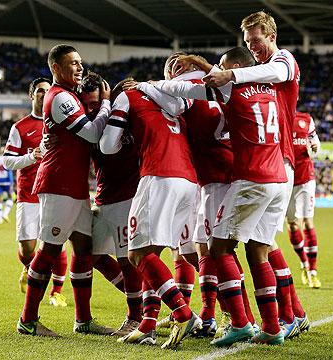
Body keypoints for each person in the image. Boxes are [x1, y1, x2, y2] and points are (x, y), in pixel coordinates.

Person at [175, 11, 309, 337]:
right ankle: (289, 316)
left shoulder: (282, 62)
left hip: (269, 166)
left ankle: (251, 320)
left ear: (272, 36)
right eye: (248, 42)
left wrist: (228, 75)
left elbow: (274, 70)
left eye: (257, 40)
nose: (254, 46)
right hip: (274, 165)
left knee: (227, 247)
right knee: (261, 247)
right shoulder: (258, 80)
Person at [146, 46, 287, 346]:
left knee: (217, 249)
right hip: (277, 178)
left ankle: (237, 320)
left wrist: (148, 86)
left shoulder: (223, 90)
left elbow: (181, 88)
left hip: (243, 177)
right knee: (255, 252)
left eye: (222, 67)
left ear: (233, 68)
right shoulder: (268, 85)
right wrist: (199, 62)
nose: (216, 72)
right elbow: (224, 75)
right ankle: (272, 326)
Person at [133, 52, 256, 339]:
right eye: (170, 65)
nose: (175, 69)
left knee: (215, 251)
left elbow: (169, 98)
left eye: (179, 63)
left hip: (216, 178)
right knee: (203, 250)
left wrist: (141, 86)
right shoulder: (212, 87)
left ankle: (240, 319)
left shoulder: (189, 88)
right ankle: (218, 317)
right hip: (212, 178)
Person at [16, 44, 113, 337]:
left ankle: (83, 320)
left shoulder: (71, 96)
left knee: (84, 249)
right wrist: (106, 103)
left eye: (80, 62)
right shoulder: (60, 98)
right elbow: (93, 132)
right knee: (48, 251)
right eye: (72, 63)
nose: (79, 67)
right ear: (56, 68)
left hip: (75, 187)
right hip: (58, 185)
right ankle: (27, 320)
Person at [100, 77, 202, 349]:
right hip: (189, 181)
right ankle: (148, 324)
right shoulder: (172, 103)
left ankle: (182, 313)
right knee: (154, 253)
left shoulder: (127, 97)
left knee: (138, 253)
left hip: (158, 176)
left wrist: (123, 130)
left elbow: (107, 145)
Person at [79, 72, 143, 336]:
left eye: (97, 103)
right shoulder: (88, 124)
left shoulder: (126, 119)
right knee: (91, 255)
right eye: (89, 105)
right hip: (104, 198)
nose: (93, 109)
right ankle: (152, 301)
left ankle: (136, 316)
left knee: (129, 260)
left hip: (127, 197)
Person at [3, 77, 68, 306]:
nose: (44, 94)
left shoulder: (60, 124)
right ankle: (28, 268)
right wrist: (31, 157)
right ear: (32, 95)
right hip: (27, 195)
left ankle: (56, 291)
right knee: (27, 247)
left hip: (53, 192)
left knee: (55, 241)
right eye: (40, 91)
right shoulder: (20, 127)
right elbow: (7, 162)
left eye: (48, 91)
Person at [287, 111, 322, 289]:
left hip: (306, 179)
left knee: (308, 222)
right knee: (293, 225)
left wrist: (316, 147)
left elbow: (315, 142)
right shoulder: (278, 116)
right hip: (286, 179)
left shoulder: (306, 119)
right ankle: (304, 263)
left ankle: (313, 271)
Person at [0, 148, 14, 224]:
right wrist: (11, 183)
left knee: (0, 200)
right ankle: (5, 214)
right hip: (6, 181)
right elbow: (9, 171)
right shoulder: (7, 159)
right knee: (11, 198)